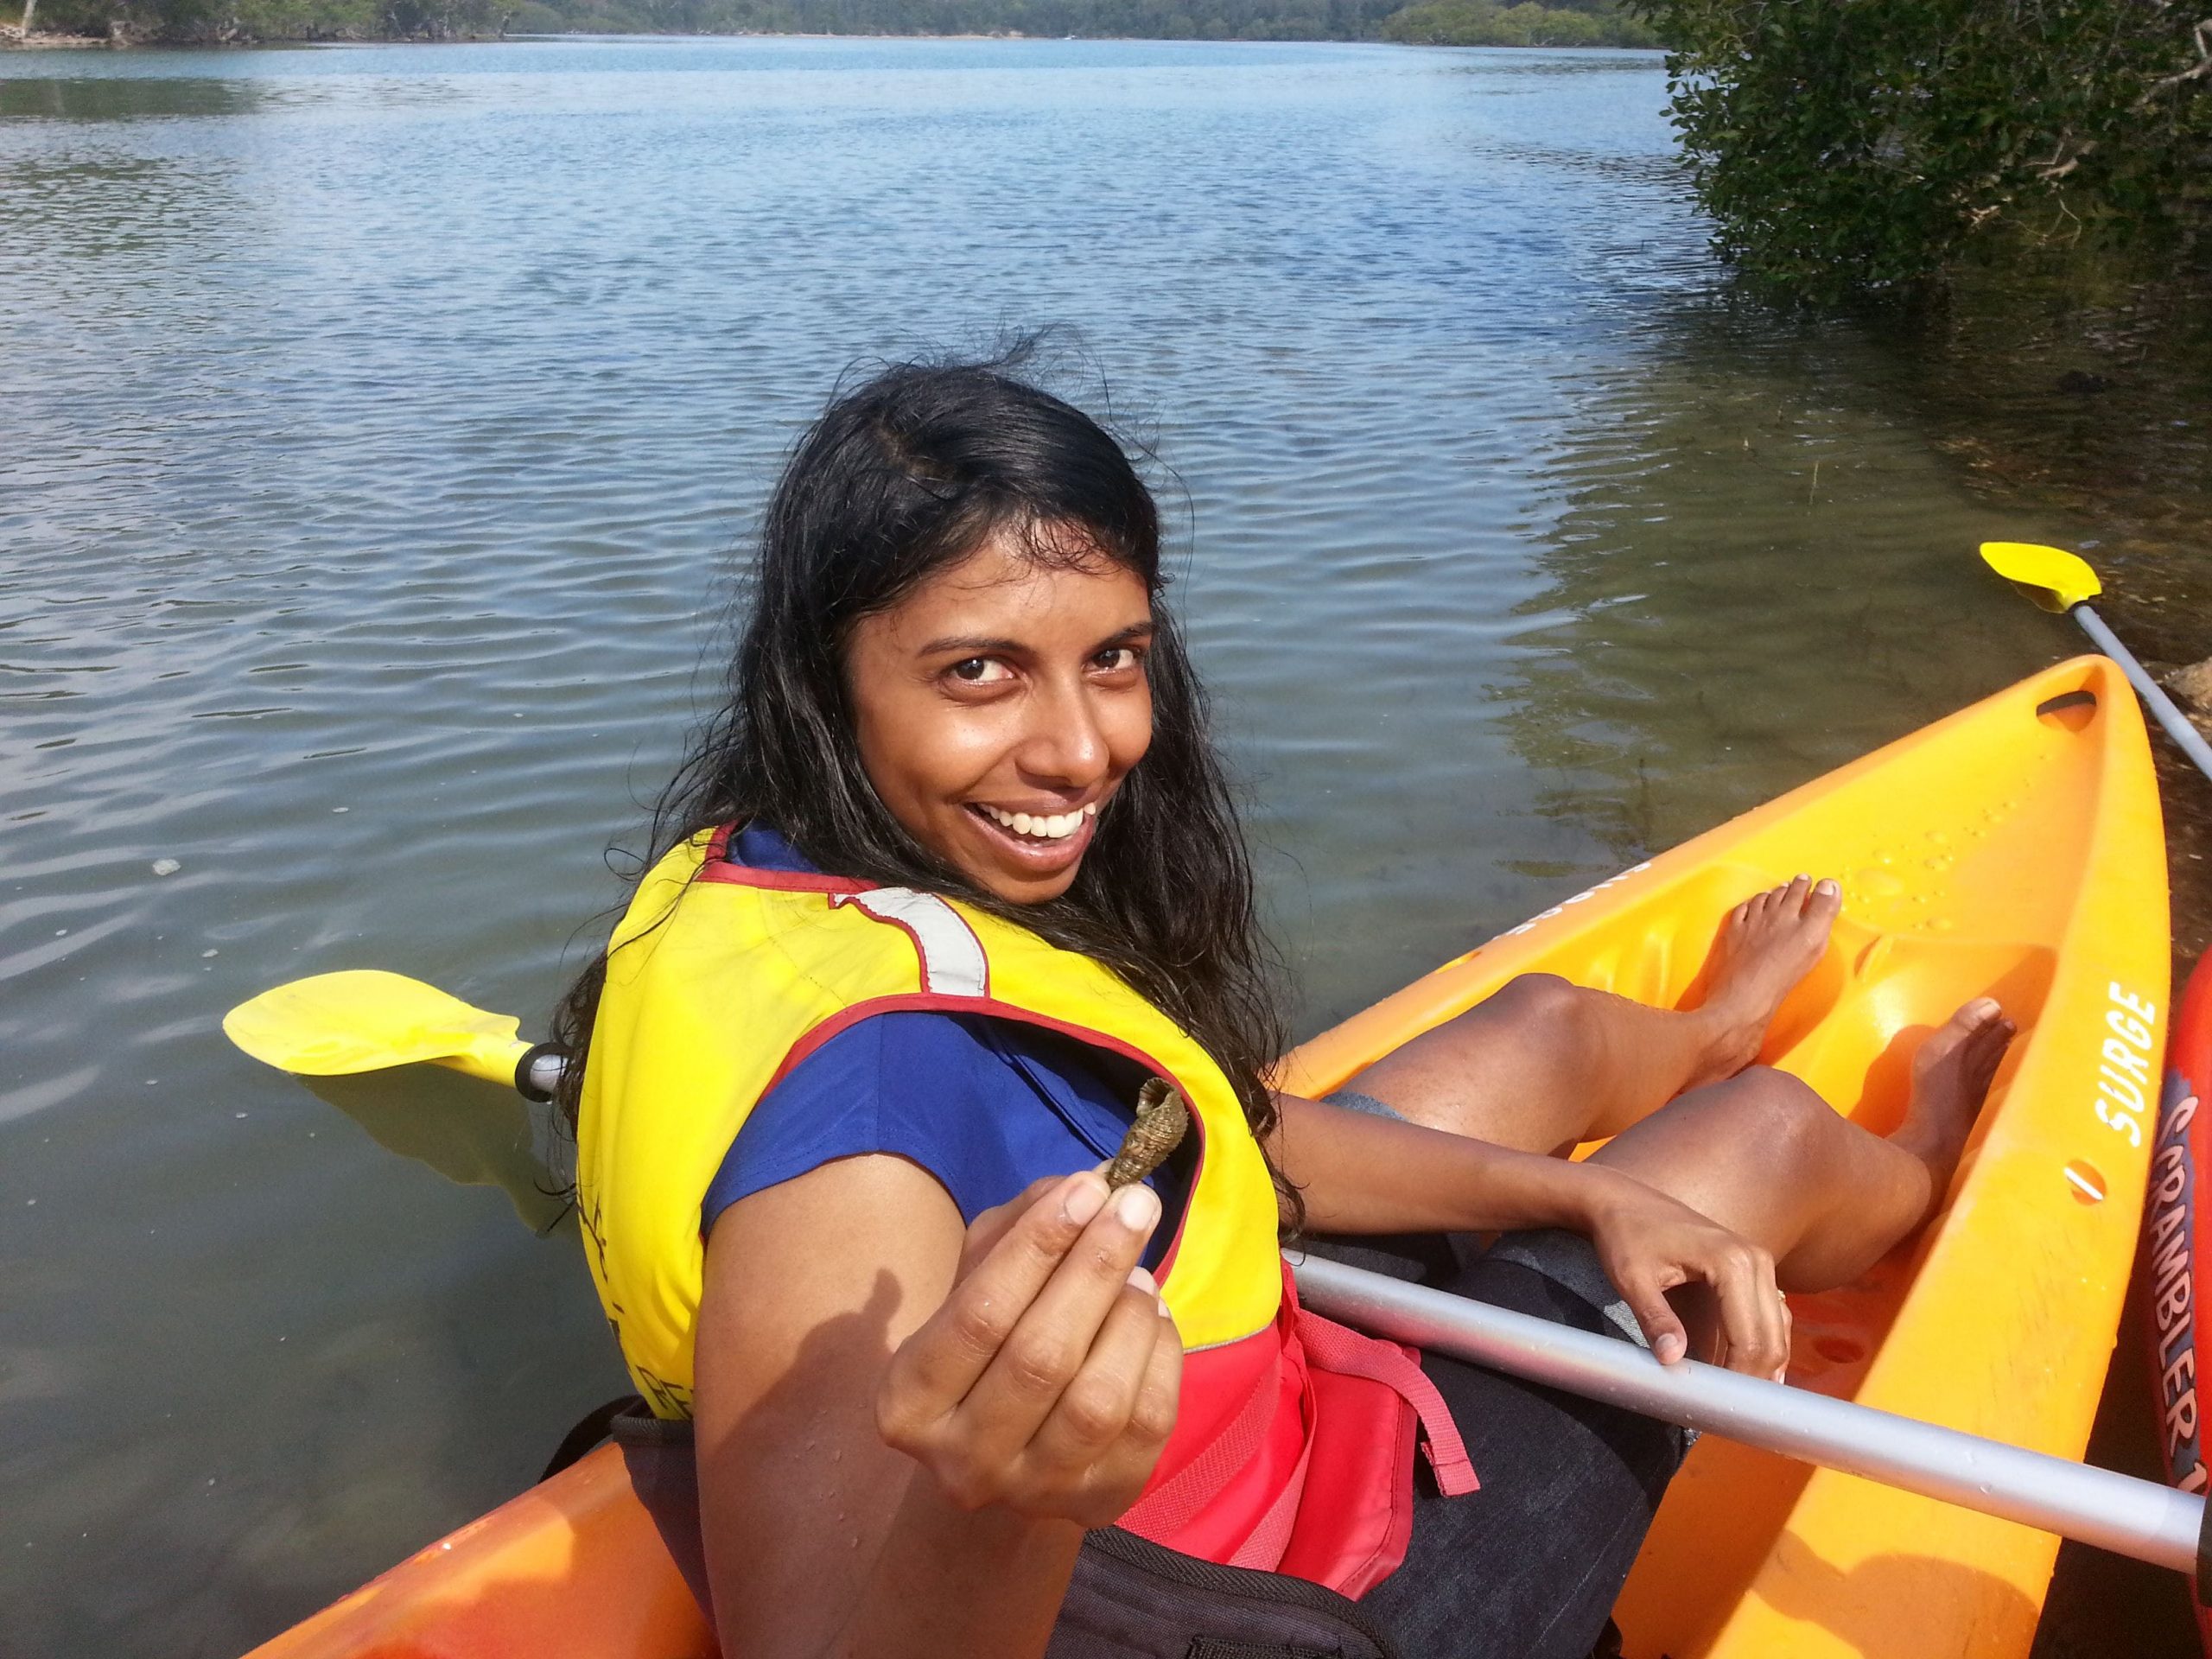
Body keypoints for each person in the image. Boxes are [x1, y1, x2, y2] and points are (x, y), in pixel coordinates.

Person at [550, 352, 2015, 1659]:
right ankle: (1916, 1168)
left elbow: (1212, 1141)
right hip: (1291, 1595)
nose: (1082, 751)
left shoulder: (759, 876)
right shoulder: (858, 1161)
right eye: (979, 672)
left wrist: (1572, 1203)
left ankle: (1688, 1045)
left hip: (1247, 1399)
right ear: (830, 677)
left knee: (1547, 1034)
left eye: (1113, 658)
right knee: (1759, 1133)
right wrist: (1001, 1509)